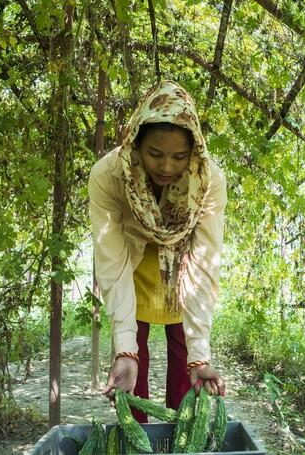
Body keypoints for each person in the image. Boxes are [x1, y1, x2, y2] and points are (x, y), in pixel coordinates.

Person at [88, 80, 227, 422]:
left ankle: (181, 440)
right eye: (155, 154)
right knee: (133, 365)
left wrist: (201, 355)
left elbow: (203, 261)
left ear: (193, 152)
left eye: (179, 157)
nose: (166, 167)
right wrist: (124, 348)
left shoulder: (209, 180)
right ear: (135, 142)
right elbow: (112, 260)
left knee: (186, 368)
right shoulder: (108, 176)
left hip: (182, 276)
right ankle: (139, 439)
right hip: (131, 273)